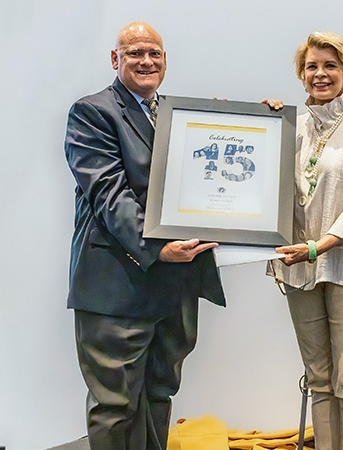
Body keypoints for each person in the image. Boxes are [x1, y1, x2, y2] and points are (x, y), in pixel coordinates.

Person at [64, 21, 225, 450]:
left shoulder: (177, 115)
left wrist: (253, 125)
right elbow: (108, 193)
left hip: (174, 286)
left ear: (166, 61)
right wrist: (158, 246)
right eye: (134, 52)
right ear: (116, 60)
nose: (146, 60)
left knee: (158, 395)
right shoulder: (92, 113)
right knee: (116, 408)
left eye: (154, 53)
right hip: (117, 287)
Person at [266, 32, 343, 450]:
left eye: (330, 66)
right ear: (302, 76)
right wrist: (259, 126)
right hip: (298, 265)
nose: (320, 74)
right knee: (318, 376)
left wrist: (319, 246)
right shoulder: (291, 125)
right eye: (312, 66)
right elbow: (265, 186)